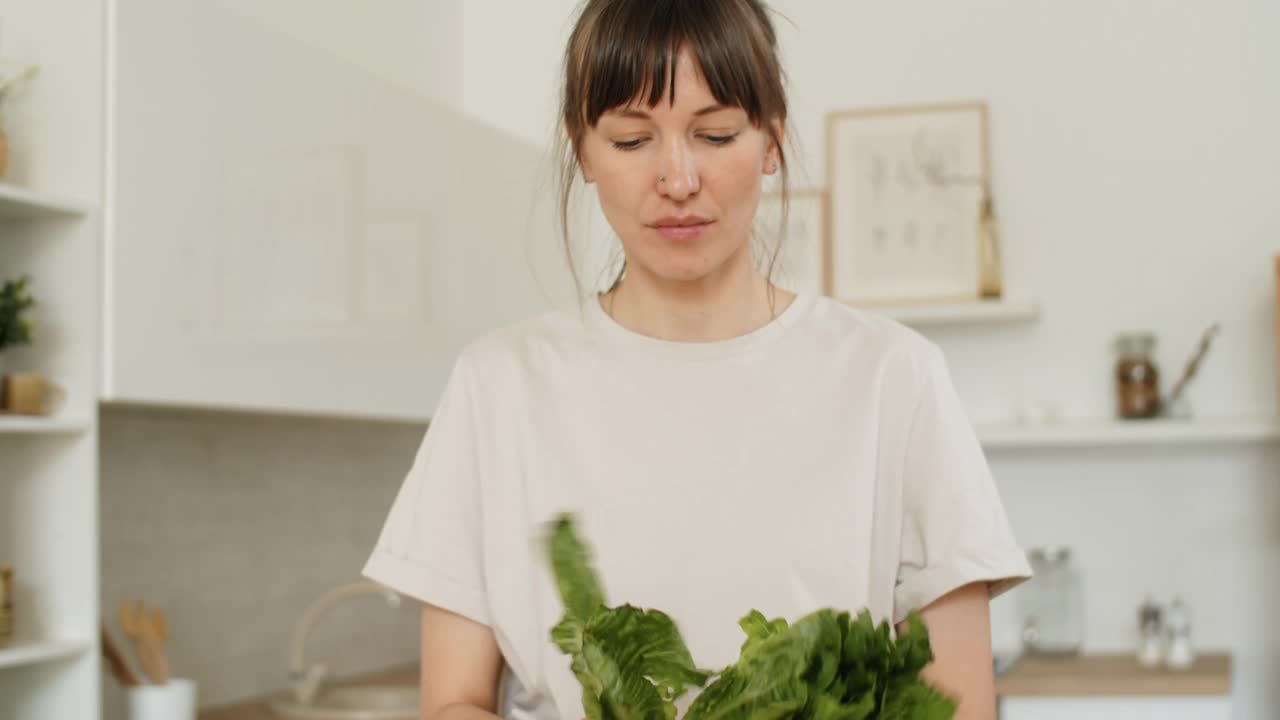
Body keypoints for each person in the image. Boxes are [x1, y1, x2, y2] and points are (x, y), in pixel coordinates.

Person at [363, 1, 1031, 719]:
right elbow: (454, 701)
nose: (677, 179)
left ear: (771, 138)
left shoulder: (894, 377)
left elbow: (958, 706)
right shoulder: (496, 385)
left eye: (714, 134)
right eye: (630, 140)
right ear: (581, 150)